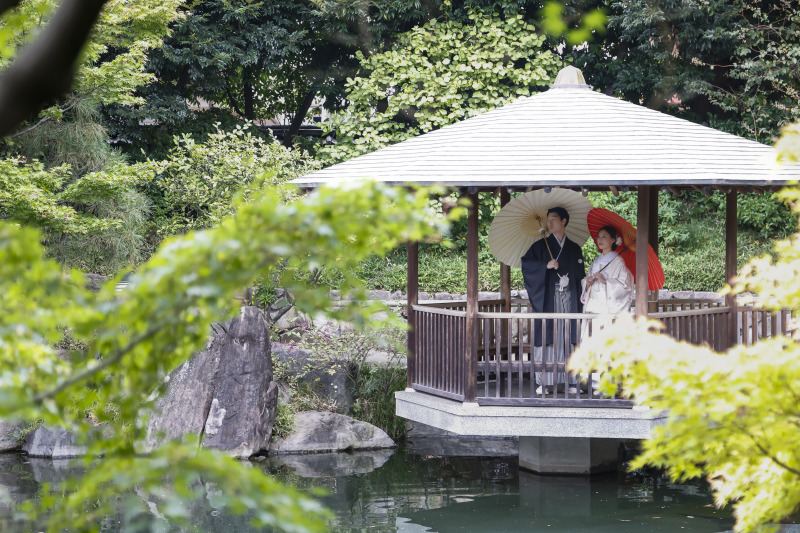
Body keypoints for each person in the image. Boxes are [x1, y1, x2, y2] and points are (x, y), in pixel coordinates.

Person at [521, 207, 586, 395]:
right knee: (549, 337)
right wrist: (545, 265)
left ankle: (572, 381)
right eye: (548, 220)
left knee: (569, 336)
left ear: (564, 221)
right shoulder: (540, 247)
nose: (550, 223)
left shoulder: (574, 248)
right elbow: (526, 265)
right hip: (549, 298)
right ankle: (545, 382)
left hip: (570, 297)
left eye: (554, 219)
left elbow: (580, 275)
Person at [580, 225, 634, 396]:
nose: (600, 240)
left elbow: (625, 286)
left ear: (613, 240)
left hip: (607, 309)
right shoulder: (596, 261)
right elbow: (586, 285)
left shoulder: (618, 261)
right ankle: (595, 383)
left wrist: (606, 281)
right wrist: (587, 282)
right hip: (594, 308)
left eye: (604, 237)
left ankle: (609, 383)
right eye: (598, 237)